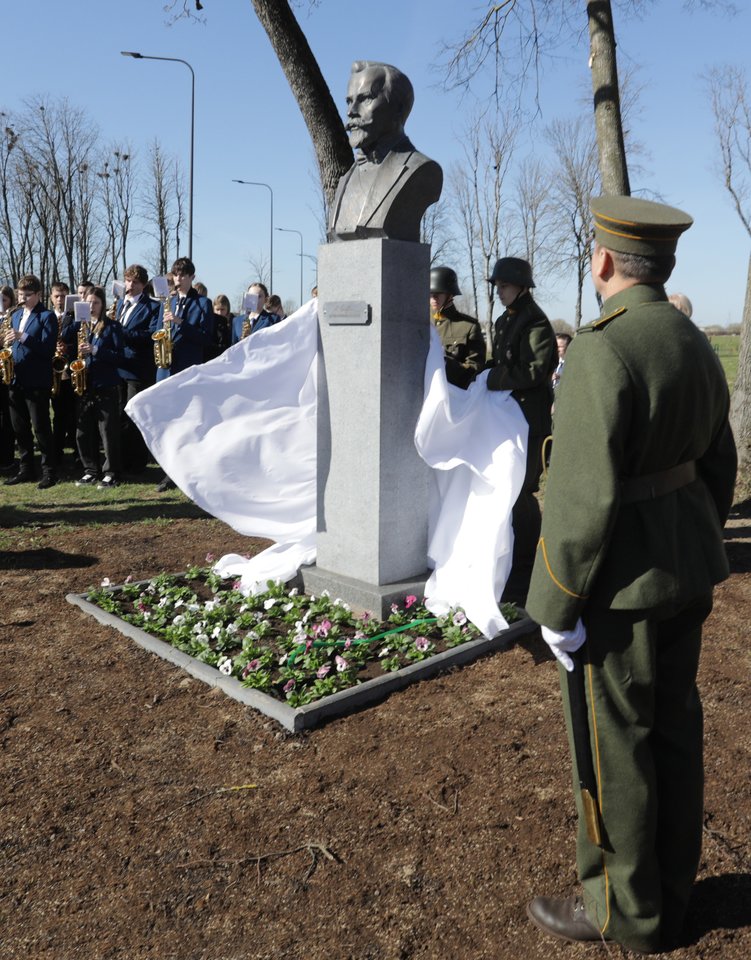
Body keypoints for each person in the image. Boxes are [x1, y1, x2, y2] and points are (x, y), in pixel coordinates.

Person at [524, 196, 737, 954]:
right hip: (685, 569)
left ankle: (626, 913)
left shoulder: (601, 347)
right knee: (673, 731)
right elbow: (718, 462)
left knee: (616, 748)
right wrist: (695, 536)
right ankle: (670, 890)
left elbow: (581, 496)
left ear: (605, 262)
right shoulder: (689, 337)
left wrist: (555, 603)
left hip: (618, 586)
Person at [486, 257, 556, 605]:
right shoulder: (505, 321)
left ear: (521, 287)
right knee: (508, 492)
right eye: (497, 286)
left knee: (523, 492)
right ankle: (514, 567)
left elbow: (536, 370)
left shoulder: (535, 322)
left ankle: (527, 574)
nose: (499, 292)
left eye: (504, 286)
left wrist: (494, 379)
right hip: (507, 417)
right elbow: (502, 362)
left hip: (529, 419)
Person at [327, 60, 442, 243]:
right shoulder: (346, 179)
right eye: (349, 101)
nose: (351, 111)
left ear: (398, 108)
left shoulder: (421, 169)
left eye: (365, 98)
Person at [149, 257, 213, 491]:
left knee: (189, 424)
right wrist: (161, 337)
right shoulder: (167, 301)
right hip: (166, 369)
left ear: (192, 277)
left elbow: (206, 337)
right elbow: (156, 331)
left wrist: (180, 322)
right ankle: (169, 473)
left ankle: (190, 471)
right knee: (167, 424)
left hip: (187, 368)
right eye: (176, 275)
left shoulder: (203, 304)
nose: (178, 279)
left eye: (183, 275)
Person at [65, 286, 125, 489]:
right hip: (85, 385)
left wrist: (96, 349)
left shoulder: (112, 327)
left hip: (106, 384)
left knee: (107, 432)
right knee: (83, 432)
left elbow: (120, 356)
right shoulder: (80, 326)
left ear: (103, 304)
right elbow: (63, 337)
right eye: (88, 302)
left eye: (96, 302)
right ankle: (90, 470)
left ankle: (111, 472)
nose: (92, 306)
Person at [3, 275, 58, 489]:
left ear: (38, 295)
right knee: (20, 427)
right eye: (20, 294)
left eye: (27, 295)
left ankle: (50, 471)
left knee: (41, 427)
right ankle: (26, 469)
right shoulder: (15, 315)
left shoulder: (47, 316)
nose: (22, 298)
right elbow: (12, 343)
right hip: (16, 378)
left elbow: (47, 349)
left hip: (36, 381)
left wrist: (22, 336)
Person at [116, 264, 158, 474]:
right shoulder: (120, 305)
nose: (130, 285)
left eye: (135, 282)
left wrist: (122, 332)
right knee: (121, 417)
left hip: (138, 369)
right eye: (128, 280)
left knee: (135, 418)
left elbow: (149, 336)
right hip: (119, 367)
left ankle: (138, 461)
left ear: (143, 285)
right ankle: (123, 459)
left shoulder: (152, 307)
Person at [429, 266, 485, 389]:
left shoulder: (468, 327)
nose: (433, 298)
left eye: (438, 294)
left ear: (450, 294)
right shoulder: (420, 322)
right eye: (430, 294)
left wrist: (444, 363)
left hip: (453, 394)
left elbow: (475, 369)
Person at [0, 284, 17, 473]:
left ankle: (7, 457)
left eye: (4, 300)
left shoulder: (13, 318)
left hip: (8, 371)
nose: (1, 304)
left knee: (7, 416)